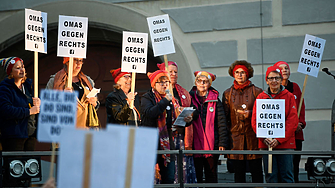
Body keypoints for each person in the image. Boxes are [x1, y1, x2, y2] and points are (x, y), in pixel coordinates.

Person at [141, 70, 192, 184]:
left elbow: (176, 122)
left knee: (169, 178)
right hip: (151, 142)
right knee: (149, 178)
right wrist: (165, 101)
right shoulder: (147, 97)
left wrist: (187, 120)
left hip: (167, 143)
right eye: (161, 82)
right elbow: (150, 113)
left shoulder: (172, 100)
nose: (165, 85)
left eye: (166, 82)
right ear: (154, 84)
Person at [251, 65, 298, 184]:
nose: (274, 81)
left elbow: (292, 121)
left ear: (281, 79)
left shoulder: (289, 96)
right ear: (267, 80)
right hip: (266, 144)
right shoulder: (261, 97)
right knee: (270, 177)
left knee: (287, 176)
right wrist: (264, 136)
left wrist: (278, 139)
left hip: (285, 144)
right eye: (271, 78)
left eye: (277, 78)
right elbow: (255, 121)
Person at [0, 57, 41, 186]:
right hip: (14, 135)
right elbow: (6, 110)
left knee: (29, 170)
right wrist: (29, 111)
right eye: (17, 68)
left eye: (22, 67)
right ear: (10, 72)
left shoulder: (28, 86)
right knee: (14, 171)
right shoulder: (4, 88)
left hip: (29, 134)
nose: (22, 70)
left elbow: (35, 108)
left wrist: (38, 104)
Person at [222, 60, 263, 183]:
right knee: (238, 174)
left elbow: (262, 114)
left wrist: (250, 114)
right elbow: (224, 118)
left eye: (242, 72)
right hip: (235, 138)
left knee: (256, 171)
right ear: (233, 74)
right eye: (237, 72)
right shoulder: (228, 93)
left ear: (248, 74)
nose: (239, 75)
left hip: (253, 138)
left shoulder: (257, 91)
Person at [157, 61, 197, 184]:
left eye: (175, 72)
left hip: (181, 136)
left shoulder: (183, 92)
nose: (174, 74)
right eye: (170, 72)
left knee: (181, 170)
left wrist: (190, 116)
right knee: (169, 172)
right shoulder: (157, 92)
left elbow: (195, 111)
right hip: (165, 137)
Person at [189, 70, 229, 185]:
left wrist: (222, 143)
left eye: (205, 81)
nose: (202, 83)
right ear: (196, 82)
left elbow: (221, 123)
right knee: (197, 176)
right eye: (200, 81)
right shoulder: (189, 98)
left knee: (211, 175)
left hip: (212, 144)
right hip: (195, 144)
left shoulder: (215, 100)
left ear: (209, 84)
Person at [274, 61, 306, 183]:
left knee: (294, 165)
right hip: (281, 134)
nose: (285, 70)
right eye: (281, 69)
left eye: (286, 68)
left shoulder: (296, 87)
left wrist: (301, 123)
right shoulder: (274, 89)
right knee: (282, 168)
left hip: (296, 134)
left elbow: (301, 107)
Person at [46, 57, 99, 129]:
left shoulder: (87, 81)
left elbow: (95, 106)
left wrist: (95, 103)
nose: (79, 63)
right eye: (75, 60)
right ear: (67, 62)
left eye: (81, 60)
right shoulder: (55, 81)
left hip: (86, 129)